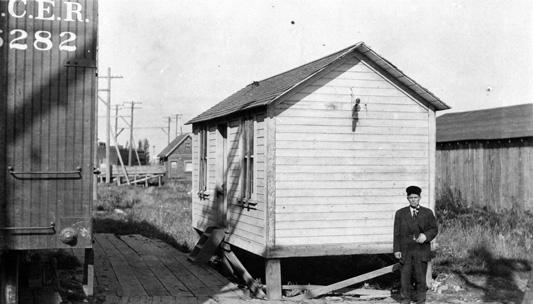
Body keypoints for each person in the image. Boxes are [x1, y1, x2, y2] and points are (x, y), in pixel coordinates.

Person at [393, 185, 438, 304]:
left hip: (421, 250)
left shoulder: (427, 213)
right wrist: (396, 249)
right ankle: (405, 300)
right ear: (407, 198)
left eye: (416, 197)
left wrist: (426, 236)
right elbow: (396, 233)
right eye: (411, 197)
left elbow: (434, 229)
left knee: (420, 279)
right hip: (406, 251)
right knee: (405, 279)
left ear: (420, 198)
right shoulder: (400, 213)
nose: (413, 200)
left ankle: (421, 300)